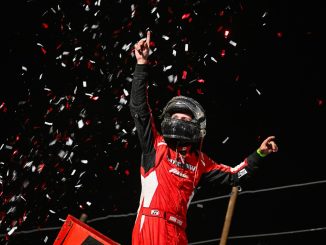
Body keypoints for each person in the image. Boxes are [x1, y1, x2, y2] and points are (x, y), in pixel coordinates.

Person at [129, 31, 278, 245]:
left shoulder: (200, 161)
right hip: (151, 225)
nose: (180, 121)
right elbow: (139, 109)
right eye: (176, 117)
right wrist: (142, 64)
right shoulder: (155, 144)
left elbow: (234, 176)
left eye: (185, 118)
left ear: (195, 127)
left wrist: (260, 154)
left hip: (178, 232)